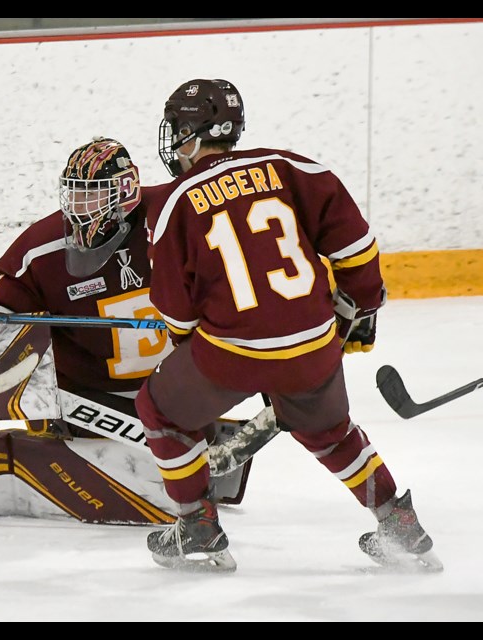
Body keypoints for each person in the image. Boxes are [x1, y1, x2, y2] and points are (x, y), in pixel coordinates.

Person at [136, 78, 441, 572]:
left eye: (178, 130)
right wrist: (360, 308)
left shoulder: (176, 201)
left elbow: (177, 312)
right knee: (332, 433)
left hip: (229, 353)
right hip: (313, 344)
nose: (174, 142)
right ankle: (398, 524)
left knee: (160, 409)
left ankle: (197, 526)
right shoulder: (292, 167)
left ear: (194, 132)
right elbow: (356, 246)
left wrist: (195, 363)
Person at [0, 136, 277, 525]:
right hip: (89, 398)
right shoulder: (43, 248)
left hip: (176, 388)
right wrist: (19, 375)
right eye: (74, 195)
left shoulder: (176, 218)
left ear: (127, 191)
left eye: (93, 195)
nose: (80, 208)